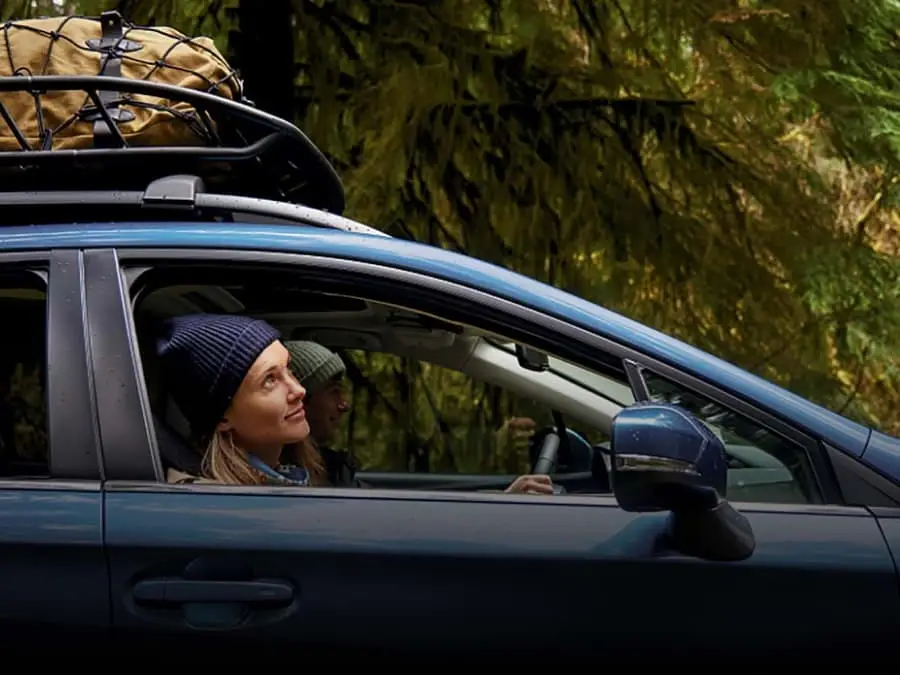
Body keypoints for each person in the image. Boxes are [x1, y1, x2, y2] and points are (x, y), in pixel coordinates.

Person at [284, 340, 554, 494]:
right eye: (333, 393)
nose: (344, 405)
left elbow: (396, 513)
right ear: (299, 399)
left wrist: (501, 501)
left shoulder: (326, 471)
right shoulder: (290, 482)